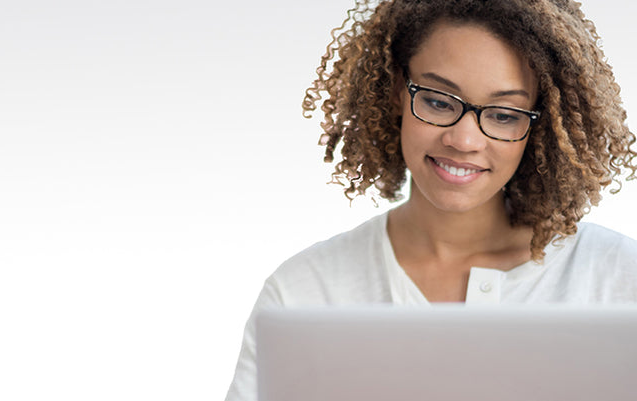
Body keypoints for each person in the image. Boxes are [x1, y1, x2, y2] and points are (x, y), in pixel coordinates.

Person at [225, 0, 637, 400]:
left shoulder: (617, 278)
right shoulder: (307, 292)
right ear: (397, 93)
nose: (464, 140)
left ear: (538, 127)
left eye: (504, 114)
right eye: (438, 102)